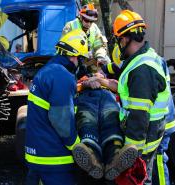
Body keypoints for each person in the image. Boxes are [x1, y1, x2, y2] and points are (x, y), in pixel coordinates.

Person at [61, 3, 138, 181]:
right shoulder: (70, 27)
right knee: (88, 118)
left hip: (103, 88)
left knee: (110, 116)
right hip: (84, 83)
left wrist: (101, 63)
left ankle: (115, 155)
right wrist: (87, 81)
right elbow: (67, 52)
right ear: (80, 16)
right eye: (86, 20)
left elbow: (100, 47)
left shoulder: (94, 29)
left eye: (91, 20)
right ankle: (91, 153)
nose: (88, 23)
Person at [96, 10, 171, 184]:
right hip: (150, 133)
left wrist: (131, 154)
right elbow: (124, 78)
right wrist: (103, 77)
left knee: (139, 178)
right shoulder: (144, 57)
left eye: (118, 39)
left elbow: (139, 117)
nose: (118, 44)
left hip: (142, 140)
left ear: (125, 39)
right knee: (144, 176)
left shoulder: (142, 70)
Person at [24, 29, 89, 185]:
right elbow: (62, 121)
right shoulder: (62, 76)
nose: (81, 64)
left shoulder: (49, 71)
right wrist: (78, 147)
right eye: (81, 59)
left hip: (39, 153)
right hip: (54, 159)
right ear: (74, 56)